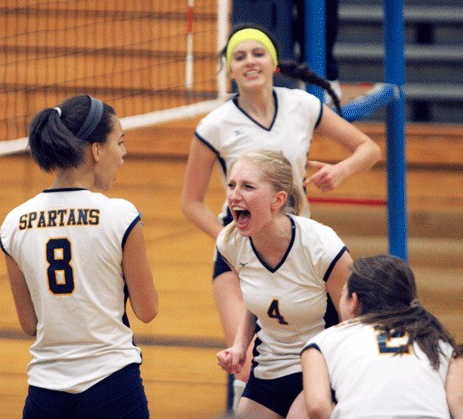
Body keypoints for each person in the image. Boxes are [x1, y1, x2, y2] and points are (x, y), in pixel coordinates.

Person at [181, 23, 380, 409]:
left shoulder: (302, 105)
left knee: (320, 355)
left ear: (274, 63)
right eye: (239, 56)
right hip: (239, 254)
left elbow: (368, 148)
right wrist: (233, 242)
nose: (250, 62)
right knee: (244, 365)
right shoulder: (214, 125)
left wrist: (338, 172)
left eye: (258, 54)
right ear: (230, 70)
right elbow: (190, 202)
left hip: (298, 249)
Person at [0, 94, 159, 419]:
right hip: (113, 384)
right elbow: (147, 310)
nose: (124, 154)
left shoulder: (14, 223)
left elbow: (29, 324)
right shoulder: (121, 215)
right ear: (97, 150)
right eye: (120, 142)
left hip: (46, 392)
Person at [215, 150, 353, 418]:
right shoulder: (230, 243)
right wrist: (240, 346)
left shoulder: (321, 246)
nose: (234, 195)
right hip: (268, 368)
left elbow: (354, 318)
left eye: (247, 186)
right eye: (232, 185)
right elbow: (258, 299)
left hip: (319, 366)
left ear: (277, 199)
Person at [301, 254, 463, 418]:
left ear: (354, 301)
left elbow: (317, 407)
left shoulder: (323, 341)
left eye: (343, 293)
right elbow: (458, 402)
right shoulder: (439, 342)